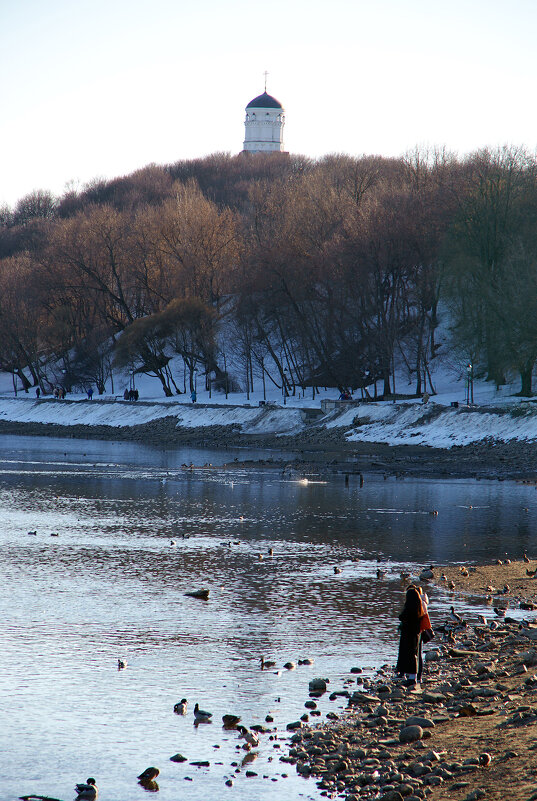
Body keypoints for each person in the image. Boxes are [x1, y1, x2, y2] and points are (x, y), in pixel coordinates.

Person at [396, 585, 428, 687]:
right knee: (415, 654)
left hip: (408, 634)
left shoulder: (409, 609)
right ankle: (413, 677)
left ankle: (411, 678)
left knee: (410, 654)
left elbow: (402, 617)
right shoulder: (419, 610)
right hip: (416, 634)